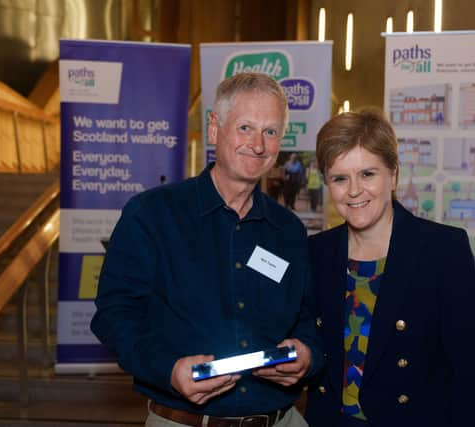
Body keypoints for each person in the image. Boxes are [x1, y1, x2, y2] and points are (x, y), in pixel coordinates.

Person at [91, 73, 323, 427]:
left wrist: (306, 353)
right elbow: (114, 315)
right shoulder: (152, 215)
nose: (259, 145)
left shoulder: (288, 231)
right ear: (215, 129)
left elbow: (307, 319)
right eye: (245, 127)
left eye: (271, 131)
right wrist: (168, 370)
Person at [305, 110, 475, 427]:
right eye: (339, 178)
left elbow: (469, 376)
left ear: (393, 175)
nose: (353, 190)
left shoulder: (443, 250)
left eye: (367, 174)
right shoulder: (316, 252)